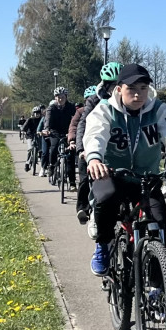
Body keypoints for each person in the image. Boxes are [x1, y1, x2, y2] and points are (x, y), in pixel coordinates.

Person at [83, 63, 166, 276]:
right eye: (132, 89)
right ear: (119, 89)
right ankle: (103, 245)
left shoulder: (157, 109)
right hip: (112, 173)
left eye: (143, 88)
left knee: (159, 223)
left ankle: (159, 279)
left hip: (147, 177)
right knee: (106, 199)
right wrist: (94, 159)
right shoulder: (105, 110)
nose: (138, 95)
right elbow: (95, 135)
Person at [73, 62, 123, 226]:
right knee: (87, 175)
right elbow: (82, 124)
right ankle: (86, 209)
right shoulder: (94, 101)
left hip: (118, 147)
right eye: (113, 85)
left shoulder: (128, 102)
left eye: (119, 85)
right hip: (94, 143)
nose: (116, 90)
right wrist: (82, 148)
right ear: (106, 86)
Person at [44, 87, 77, 190]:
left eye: (62, 97)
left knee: (71, 155)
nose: (60, 99)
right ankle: (52, 166)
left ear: (66, 97)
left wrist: (74, 132)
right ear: (55, 98)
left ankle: (72, 182)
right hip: (55, 131)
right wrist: (46, 129)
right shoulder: (51, 108)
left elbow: (75, 120)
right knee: (54, 147)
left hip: (68, 132)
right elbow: (47, 119)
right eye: (58, 97)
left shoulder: (71, 107)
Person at [22, 106, 42, 173]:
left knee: (41, 149)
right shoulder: (30, 120)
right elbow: (24, 127)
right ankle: (27, 163)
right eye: (35, 113)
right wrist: (23, 130)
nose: (37, 114)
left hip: (39, 135)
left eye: (38, 113)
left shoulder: (42, 119)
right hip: (29, 136)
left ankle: (42, 164)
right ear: (33, 113)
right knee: (30, 148)